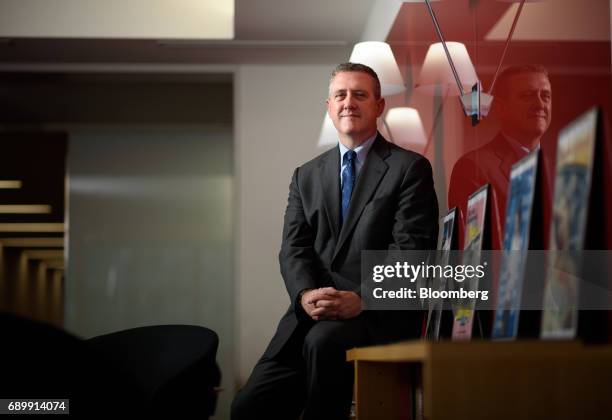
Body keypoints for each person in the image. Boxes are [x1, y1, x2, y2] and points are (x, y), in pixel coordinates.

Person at [231, 63, 439, 420]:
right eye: (340, 95)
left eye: (360, 94)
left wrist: (363, 300)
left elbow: (411, 251)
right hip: (310, 317)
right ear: (328, 106)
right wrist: (305, 296)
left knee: (323, 347)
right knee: (248, 407)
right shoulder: (305, 176)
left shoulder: (409, 169)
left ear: (379, 105)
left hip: (375, 317)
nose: (349, 103)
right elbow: (293, 249)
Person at [448, 65, 552, 250]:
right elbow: (473, 253)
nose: (539, 104)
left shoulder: (561, 169)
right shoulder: (472, 167)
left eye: (545, 96)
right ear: (500, 108)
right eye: (527, 96)